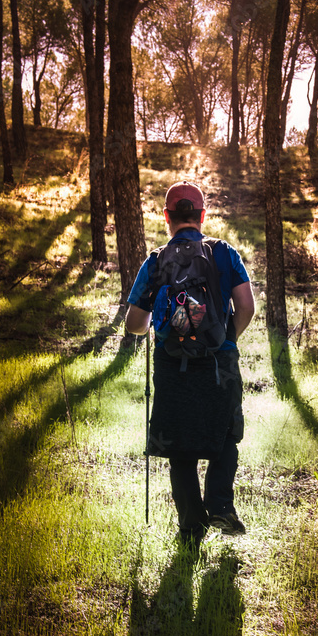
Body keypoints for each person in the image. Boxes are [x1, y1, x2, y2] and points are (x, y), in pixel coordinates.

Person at [125, 181, 256, 549]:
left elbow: (134, 324)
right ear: (202, 215)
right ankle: (219, 504)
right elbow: (246, 306)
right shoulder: (224, 254)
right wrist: (227, 338)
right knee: (226, 431)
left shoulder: (155, 262)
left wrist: (159, 323)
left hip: (172, 365)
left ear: (167, 217)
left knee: (179, 444)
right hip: (220, 362)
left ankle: (190, 525)